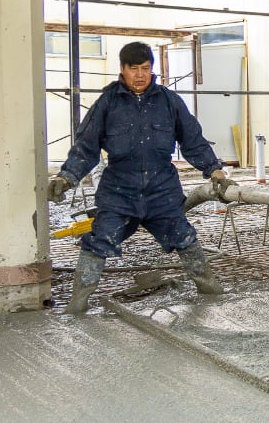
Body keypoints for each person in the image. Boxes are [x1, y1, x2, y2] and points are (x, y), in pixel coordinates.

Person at [48, 41, 230, 314]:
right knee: (99, 239)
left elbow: (193, 140)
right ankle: (77, 303)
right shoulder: (107, 103)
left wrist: (214, 170)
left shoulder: (169, 101)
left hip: (161, 189)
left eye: (145, 68)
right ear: (122, 69)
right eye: (134, 69)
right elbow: (86, 147)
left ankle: (210, 290)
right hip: (119, 190)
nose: (140, 75)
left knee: (184, 237)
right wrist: (67, 178)